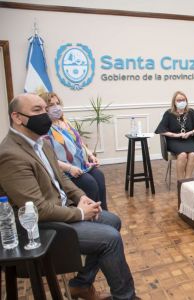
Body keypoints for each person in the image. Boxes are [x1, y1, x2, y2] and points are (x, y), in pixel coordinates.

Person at [0, 94, 139, 300]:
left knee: (112, 220)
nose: (45, 115)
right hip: (40, 227)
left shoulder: (41, 143)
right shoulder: (11, 155)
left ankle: (81, 284)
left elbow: (62, 180)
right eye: (37, 110)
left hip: (60, 211)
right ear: (17, 117)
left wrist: (82, 197)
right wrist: (80, 213)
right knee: (110, 239)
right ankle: (124, 297)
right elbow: (37, 210)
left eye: (44, 109)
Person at [40, 92, 107, 211]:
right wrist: (69, 168)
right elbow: (47, 157)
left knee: (99, 176)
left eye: (57, 103)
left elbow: (79, 142)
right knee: (90, 183)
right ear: (44, 108)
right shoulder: (44, 129)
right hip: (65, 170)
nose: (56, 107)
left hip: (81, 165)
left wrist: (91, 155)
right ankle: (89, 214)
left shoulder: (65, 122)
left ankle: (104, 213)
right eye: (51, 105)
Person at [155, 91, 194, 180]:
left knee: (192, 154)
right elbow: (161, 130)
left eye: (183, 100)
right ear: (174, 102)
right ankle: (180, 182)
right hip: (174, 140)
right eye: (179, 100)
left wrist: (190, 133)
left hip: (188, 139)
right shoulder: (169, 113)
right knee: (182, 155)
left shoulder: (191, 112)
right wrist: (176, 135)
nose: (181, 102)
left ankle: (187, 181)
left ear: (186, 101)